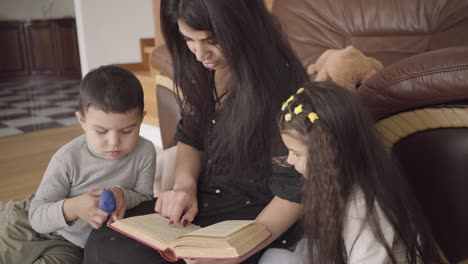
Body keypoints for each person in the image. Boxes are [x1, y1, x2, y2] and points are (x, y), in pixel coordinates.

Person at [84, 0, 308, 263]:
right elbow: (191, 135)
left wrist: (236, 250)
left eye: (212, 40)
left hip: (259, 216)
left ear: (244, 28)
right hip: (207, 199)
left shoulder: (283, 86)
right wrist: (184, 186)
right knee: (105, 239)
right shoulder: (204, 69)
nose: (200, 54)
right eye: (189, 39)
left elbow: (297, 190)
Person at [259, 82, 443, 263]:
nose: (290, 160)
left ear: (330, 153)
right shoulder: (339, 185)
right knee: (275, 257)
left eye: (296, 153)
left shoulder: (365, 205)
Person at [0, 65, 156, 264]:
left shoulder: (145, 152)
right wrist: (73, 208)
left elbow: (145, 198)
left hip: (73, 244)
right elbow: (37, 216)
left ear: (141, 120)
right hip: (29, 221)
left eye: (127, 130)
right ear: (82, 121)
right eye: (101, 131)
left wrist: (123, 195)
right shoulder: (68, 157)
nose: (114, 141)